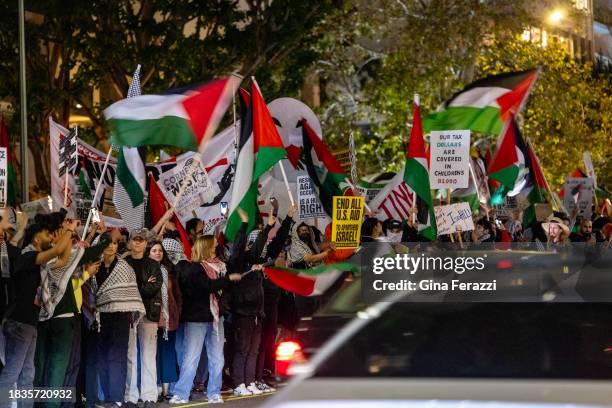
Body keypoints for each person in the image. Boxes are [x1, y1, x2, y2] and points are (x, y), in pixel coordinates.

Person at [0, 214, 77, 408]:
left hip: (29, 323)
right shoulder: (28, 256)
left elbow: (63, 258)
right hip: (19, 322)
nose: (50, 237)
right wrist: (68, 230)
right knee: (13, 371)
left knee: (28, 372)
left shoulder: (39, 264)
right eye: (46, 234)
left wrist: (69, 233)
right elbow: (58, 250)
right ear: (36, 238)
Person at [171, 235, 241, 404]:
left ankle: (214, 392)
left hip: (216, 318)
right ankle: (181, 394)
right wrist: (228, 279)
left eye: (216, 246)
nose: (216, 248)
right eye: (213, 246)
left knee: (218, 358)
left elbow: (225, 288)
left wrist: (228, 280)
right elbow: (207, 286)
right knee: (191, 357)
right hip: (196, 319)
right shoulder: (193, 268)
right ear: (205, 247)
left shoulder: (220, 266)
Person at [95, 233, 145, 407]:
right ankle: (106, 396)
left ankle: (117, 397)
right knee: (102, 356)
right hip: (99, 316)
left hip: (121, 316)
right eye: (108, 243)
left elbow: (131, 291)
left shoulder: (124, 267)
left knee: (117, 356)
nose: (111, 246)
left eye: (115, 243)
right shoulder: (94, 265)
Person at [255, 204, 297, 391]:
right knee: (255, 343)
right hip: (254, 307)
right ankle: (253, 376)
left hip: (270, 305)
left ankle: (266, 371)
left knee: (268, 339)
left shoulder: (270, 254)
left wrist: (288, 217)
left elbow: (279, 240)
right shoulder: (248, 258)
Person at [124, 229, 163, 407]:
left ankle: (149, 396)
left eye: (141, 240)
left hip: (148, 313)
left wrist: (136, 290)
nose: (138, 243)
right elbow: (123, 289)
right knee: (130, 355)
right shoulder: (122, 263)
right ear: (129, 243)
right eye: (135, 240)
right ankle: (130, 396)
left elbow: (154, 288)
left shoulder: (154, 265)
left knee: (148, 355)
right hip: (128, 313)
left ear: (146, 243)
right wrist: (143, 286)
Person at [147, 241, 180, 400]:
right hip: (151, 318)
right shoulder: (144, 270)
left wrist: (176, 312)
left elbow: (177, 295)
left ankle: (167, 387)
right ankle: (156, 386)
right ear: (149, 253)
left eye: (160, 250)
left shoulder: (169, 271)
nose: (158, 253)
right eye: (154, 250)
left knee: (168, 352)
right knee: (154, 354)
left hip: (168, 319)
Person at [288, 222, 335, 318]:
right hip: (301, 287)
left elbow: (321, 245)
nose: (304, 232)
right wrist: (329, 251)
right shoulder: (295, 246)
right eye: (301, 231)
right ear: (296, 233)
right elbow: (311, 258)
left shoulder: (310, 245)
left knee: (317, 313)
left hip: (314, 285)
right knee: (305, 315)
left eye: (306, 230)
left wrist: (334, 242)